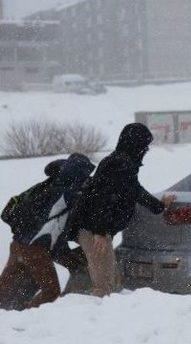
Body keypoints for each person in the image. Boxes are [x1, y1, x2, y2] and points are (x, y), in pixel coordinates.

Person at [69, 123, 175, 296]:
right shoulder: (119, 163)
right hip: (93, 230)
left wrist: (159, 206)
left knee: (111, 283)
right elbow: (101, 198)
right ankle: (96, 319)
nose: (145, 150)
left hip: (94, 229)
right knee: (105, 287)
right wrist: (100, 232)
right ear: (136, 144)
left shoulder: (122, 163)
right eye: (144, 145)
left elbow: (135, 191)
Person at [0, 154, 95, 310]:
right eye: (85, 173)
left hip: (18, 244)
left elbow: (52, 226)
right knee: (51, 291)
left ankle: (9, 317)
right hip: (35, 250)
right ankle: (28, 318)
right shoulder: (66, 193)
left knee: (4, 288)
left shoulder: (49, 185)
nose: (86, 178)